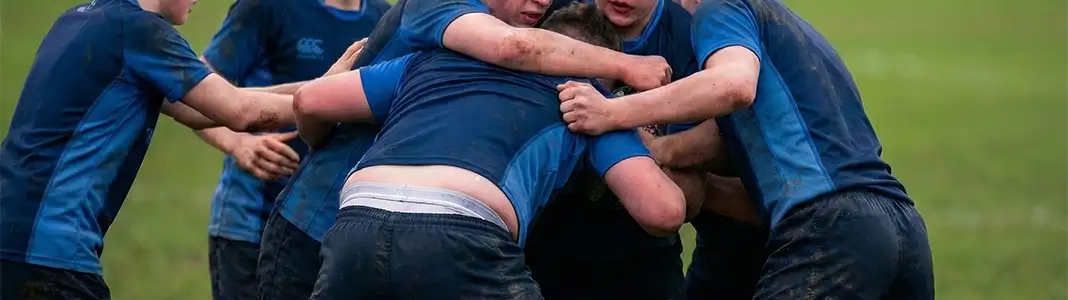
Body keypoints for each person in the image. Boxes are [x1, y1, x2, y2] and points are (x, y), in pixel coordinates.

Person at [254, 0, 676, 298]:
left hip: (353, 226)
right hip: (464, 234)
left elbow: (308, 101)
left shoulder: (431, 60)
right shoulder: (588, 103)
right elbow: (663, 211)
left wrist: (318, 141)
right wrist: (632, 118)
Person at [556, 0, 935, 298]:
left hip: (832, 229)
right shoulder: (799, 32)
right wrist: (664, 152)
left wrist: (611, 113)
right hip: (903, 229)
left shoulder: (721, 9)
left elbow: (733, 84)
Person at [0, 0, 305, 298]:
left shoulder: (79, 20)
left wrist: (315, 88)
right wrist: (330, 101)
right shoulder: (141, 31)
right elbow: (240, 111)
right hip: (46, 250)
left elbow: (206, 108)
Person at [194, 0, 389, 298]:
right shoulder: (265, 7)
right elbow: (192, 91)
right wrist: (238, 143)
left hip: (330, 230)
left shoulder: (384, 19)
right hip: (250, 225)